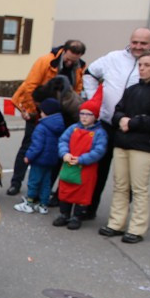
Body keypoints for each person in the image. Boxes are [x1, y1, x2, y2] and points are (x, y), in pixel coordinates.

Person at [81, 28, 150, 218]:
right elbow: (89, 73)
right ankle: (88, 208)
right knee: (98, 168)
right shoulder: (113, 57)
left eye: (143, 43)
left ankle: (120, 216)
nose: (138, 46)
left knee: (128, 176)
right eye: (135, 42)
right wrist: (95, 102)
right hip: (107, 121)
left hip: (136, 129)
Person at [96, 52, 150, 243]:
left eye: (147, 65)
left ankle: (137, 228)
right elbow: (117, 111)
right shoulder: (132, 89)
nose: (142, 68)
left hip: (143, 146)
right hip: (122, 143)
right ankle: (116, 223)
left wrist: (132, 122)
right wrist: (122, 119)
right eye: (140, 65)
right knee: (120, 186)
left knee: (139, 189)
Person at [6, 40, 87, 196]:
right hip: (39, 111)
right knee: (28, 147)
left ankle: (45, 188)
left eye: (74, 61)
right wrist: (32, 111)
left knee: (55, 152)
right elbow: (31, 86)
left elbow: (77, 91)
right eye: (68, 59)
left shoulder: (80, 67)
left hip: (60, 116)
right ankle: (16, 183)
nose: (69, 63)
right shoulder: (45, 61)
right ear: (64, 51)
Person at [53, 95, 108, 230]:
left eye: (88, 114)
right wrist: (65, 154)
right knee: (65, 190)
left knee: (82, 194)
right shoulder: (72, 128)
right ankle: (64, 214)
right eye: (82, 113)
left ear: (95, 116)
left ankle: (77, 216)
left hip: (86, 169)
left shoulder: (100, 133)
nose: (84, 117)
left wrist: (82, 159)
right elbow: (63, 141)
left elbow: (99, 151)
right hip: (69, 164)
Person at [13, 97, 63, 215]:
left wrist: (28, 156)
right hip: (51, 160)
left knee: (33, 181)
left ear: (46, 113)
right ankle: (43, 205)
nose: (40, 113)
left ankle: (29, 203)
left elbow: (36, 145)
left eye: (41, 111)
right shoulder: (59, 125)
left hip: (39, 160)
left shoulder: (42, 127)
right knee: (46, 183)